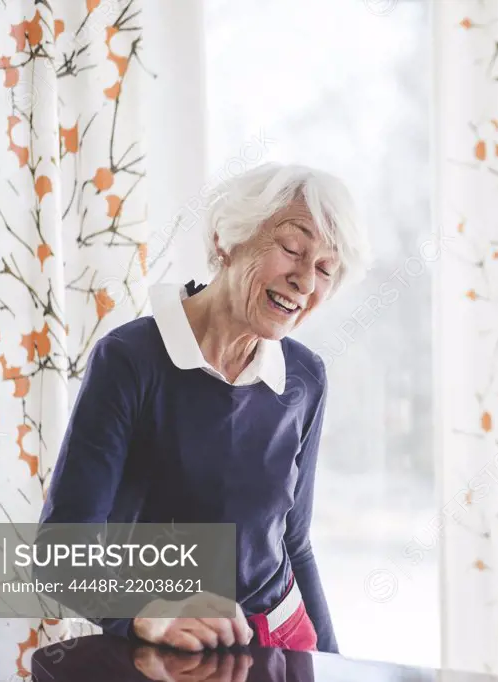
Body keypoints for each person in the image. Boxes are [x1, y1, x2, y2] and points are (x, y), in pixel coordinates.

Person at [39, 163, 371, 653]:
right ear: (226, 240)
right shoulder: (130, 360)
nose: (304, 280)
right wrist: (144, 612)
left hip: (282, 637)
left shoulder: (304, 376)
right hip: (169, 645)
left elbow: (295, 543)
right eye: (292, 249)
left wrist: (331, 664)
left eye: (325, 269)